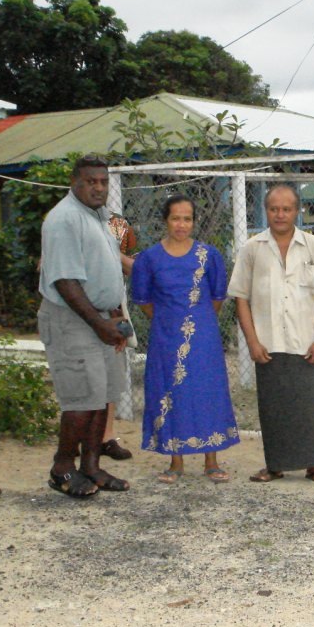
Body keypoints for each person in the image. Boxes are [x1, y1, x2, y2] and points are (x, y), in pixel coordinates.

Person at [228, 184, 314, 485]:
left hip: (305, 343)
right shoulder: (252, 249)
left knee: (307, 407)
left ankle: (313, 466)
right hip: (268, 344)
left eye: (287, 209)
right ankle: (274, 465)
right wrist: (252, 341)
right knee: (273, 407)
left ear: (297, 211)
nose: (280, 214)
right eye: (274, 209)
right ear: (266, 210)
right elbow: (241, 297)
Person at [38, 155, 131, 498]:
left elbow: (108, 271)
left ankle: (91, 466)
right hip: (73, 320)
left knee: (102, 396)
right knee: (80, 400)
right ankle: (62, 468)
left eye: (103, 182)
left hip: (101, 318)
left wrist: (115, 319)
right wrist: (99, 325)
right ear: (74, 182)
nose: (99, 188)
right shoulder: (64, 219)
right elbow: (65, 281)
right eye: (91, 181)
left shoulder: (100, 217)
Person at [131, 195, 239, 483]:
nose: (181, 224)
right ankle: (175, 461)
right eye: (176, 218)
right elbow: (143, 300)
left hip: (203, 338)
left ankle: (211, 460)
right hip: (165, 338)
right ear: (165, 220)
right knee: (169, 392)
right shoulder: (149, 258)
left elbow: (217, 298)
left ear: (194, 222)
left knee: (206, 391)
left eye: (187, 219)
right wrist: (169, 321)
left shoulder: (209, 255)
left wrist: (195, 321)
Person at [99, 212, 137, 462]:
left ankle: (106, 437)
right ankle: (80, 437)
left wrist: (112, 252)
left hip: (111, 306)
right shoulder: (63, 221)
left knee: (111, 373)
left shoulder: (117, 224)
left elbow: (133, 267)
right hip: (75, 310)